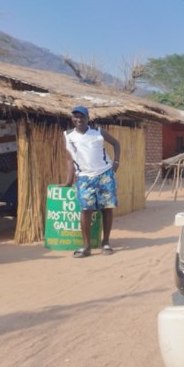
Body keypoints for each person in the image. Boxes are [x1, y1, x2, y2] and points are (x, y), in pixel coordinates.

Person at [64, 105, 121, 258]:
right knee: (85, 210)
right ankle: (86, 246)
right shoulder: (68, 135)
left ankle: (106, 243)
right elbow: (70, 159)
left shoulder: (98, 132)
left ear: (88, 118)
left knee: (107, 208)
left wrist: (116, 163)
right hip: (84, 177)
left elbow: (116, 144)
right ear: (72, 119)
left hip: (104, 174)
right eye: (75, 116)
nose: (78, 119)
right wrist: (69, 181)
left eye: (82, 116)